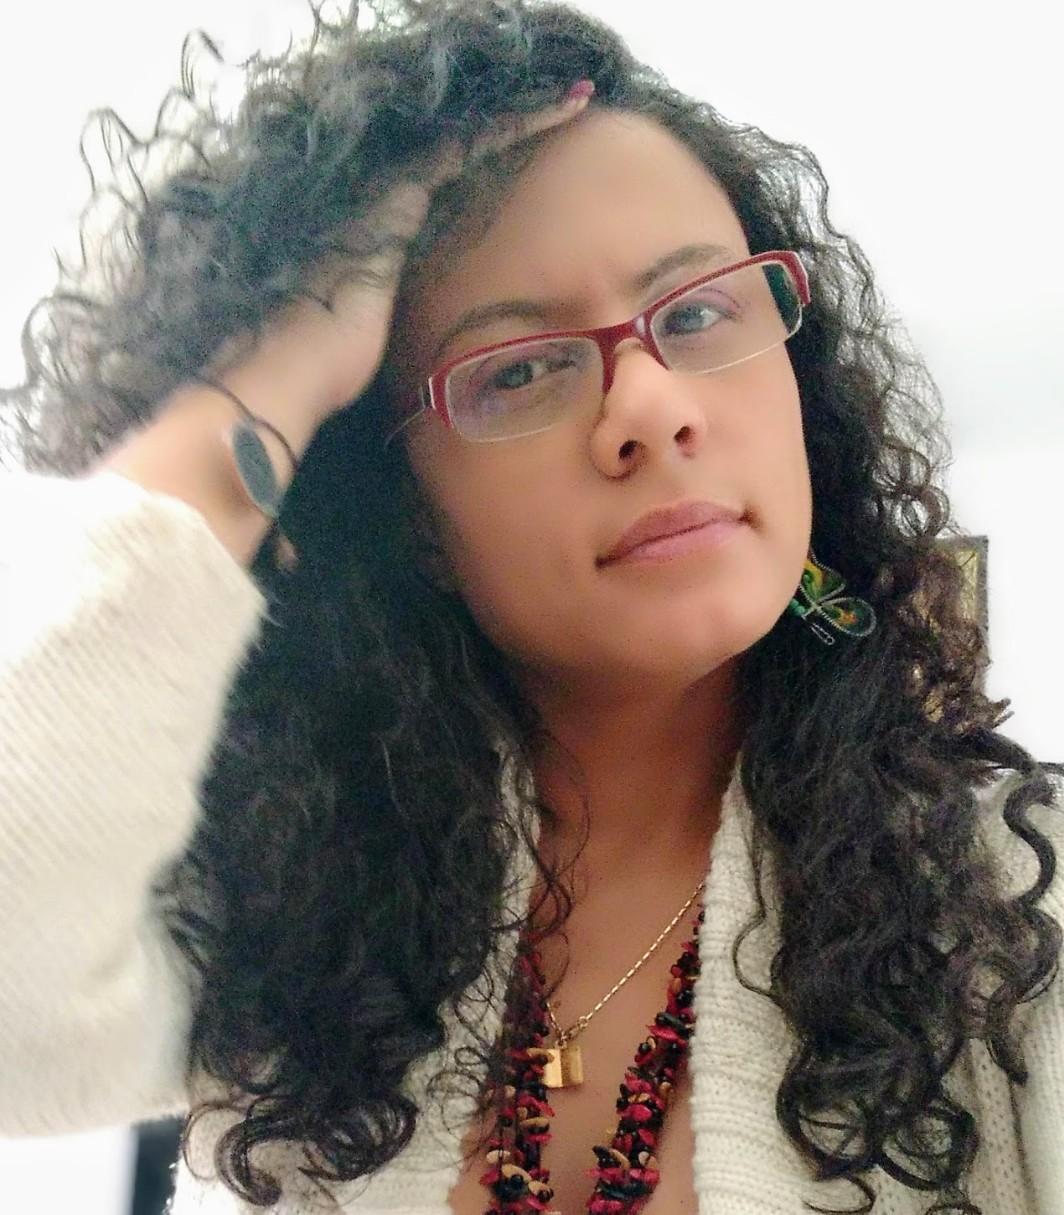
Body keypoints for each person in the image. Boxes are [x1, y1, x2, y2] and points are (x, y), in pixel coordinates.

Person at [0, 2, 1060, 1213]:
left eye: (696, 313)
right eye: (516, 369)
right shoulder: (300, 915)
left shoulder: (1015, 912)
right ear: (405, 515)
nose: (650, 408)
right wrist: (255, 391)